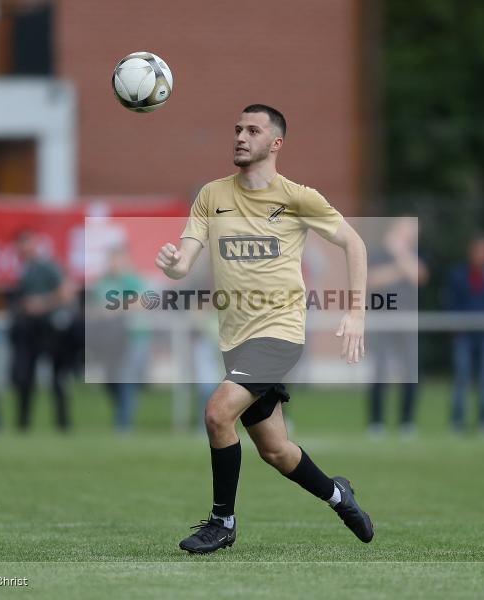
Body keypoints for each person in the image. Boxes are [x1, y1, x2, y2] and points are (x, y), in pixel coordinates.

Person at [155, 104, 373, 554]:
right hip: (235, 339)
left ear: (275, 144)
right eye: (237, 129)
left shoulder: (298, 197)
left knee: (217, 414)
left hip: (280, 332)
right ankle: (338, 495)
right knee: (276, 450)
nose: (240, 136)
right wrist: (173, 265)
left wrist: (356, 313)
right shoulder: (211, 195)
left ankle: (222, 522)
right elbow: (185, 261)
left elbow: (354, 242)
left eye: (252, 130)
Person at [9, 229, 77, 432]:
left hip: (50, 329)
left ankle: (63, 423)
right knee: (24, 377)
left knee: (58, 378)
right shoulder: (21, 270)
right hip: (29, 329)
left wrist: (42, 303)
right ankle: (23, 423)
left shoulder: (47, 266)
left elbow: (67, 291)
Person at [366, 217, 426, 435]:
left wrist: (401, 256)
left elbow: (420, 276)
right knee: (379, 371)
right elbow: (371, 279)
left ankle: (406, 422)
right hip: (382, 319)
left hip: (407, 322)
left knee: (410, 371)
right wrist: (400, 269)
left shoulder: (412, 254)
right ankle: (376, 422)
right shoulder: (378, 254)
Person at [444, 235, 484, 433]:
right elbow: (451, 303)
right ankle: (457, 421)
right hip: (464, 336)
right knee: (461, 378)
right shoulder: (459, 275)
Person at [91, 244, 151, 432]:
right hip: (109, 340)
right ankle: (121, 417)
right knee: (111, 381)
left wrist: (114, 307)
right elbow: (96, 307)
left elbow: (142, 302)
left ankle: (124, 423)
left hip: (133, 337)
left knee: (127, 379)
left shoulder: (133, 281)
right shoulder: (103, 283)